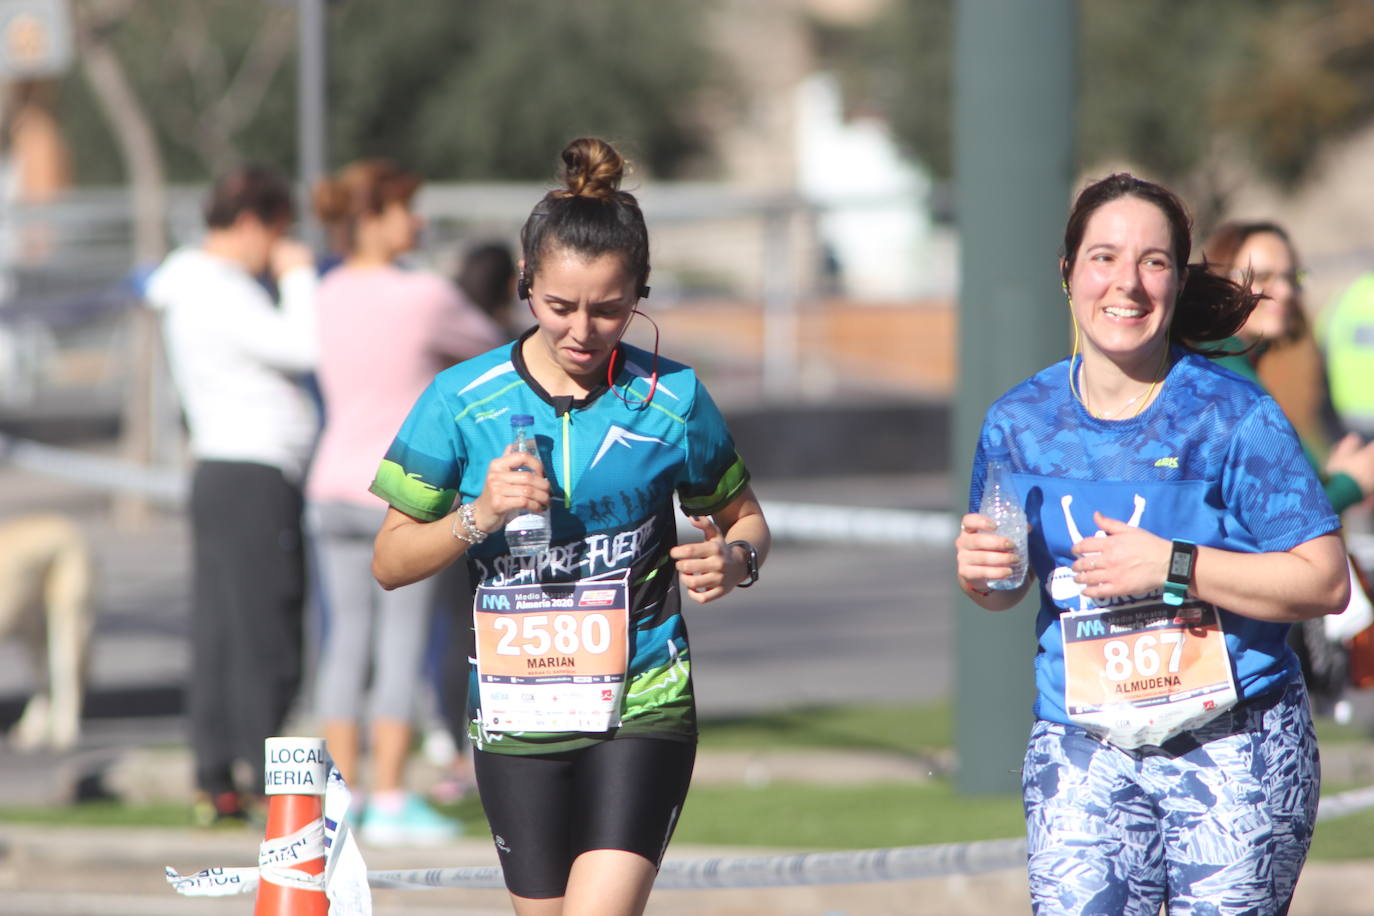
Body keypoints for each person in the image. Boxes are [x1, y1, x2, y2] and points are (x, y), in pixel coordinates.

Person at [370, 137, 769, 915]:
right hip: (518, 712)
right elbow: (388, 561)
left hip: (642, 699)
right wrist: (478, 514)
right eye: (559, 307)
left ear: (640, 295)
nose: (583, 330)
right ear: (525, 286)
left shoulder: (674, 400)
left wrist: (737, 559)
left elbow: (744, 518)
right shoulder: (460, 399)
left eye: (609, 309)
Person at [954, 173, 1349, 916]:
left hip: (1234, 744)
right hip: (1084, 742)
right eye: (1104, 257)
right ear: (1068, 272)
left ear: (1176, 278)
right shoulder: (1017, 422)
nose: (1127, 283)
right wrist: (985, 576)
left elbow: (1325, 581)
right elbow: (1006, 586)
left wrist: (1173, 565)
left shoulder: (1234, 417)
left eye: (1154, 261)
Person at [306, 159, 505, 846]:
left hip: (328, 481)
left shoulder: (326, 291)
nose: (418, 222)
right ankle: (389, 797)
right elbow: (496, 354)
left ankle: (343, 797)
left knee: (343, 646)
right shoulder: (423, 294)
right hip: (402, 489)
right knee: (400, 646)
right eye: (407, 210)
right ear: (374, 216)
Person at [146, 166, 319, 825]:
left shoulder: (193, 284)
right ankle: (261, 775)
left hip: (227, 471)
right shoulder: (216, 288)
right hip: (252, 473)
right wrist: (298, 275)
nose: (276, 249)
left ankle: (220, 776)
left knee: (224, 628)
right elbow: (303, 347)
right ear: (250, 222)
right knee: (263, 629)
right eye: (277, 233)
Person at [1203, 221, 1374, 718]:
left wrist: (1327, 481)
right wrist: (1348, 484)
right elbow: (1270, 520)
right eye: (1262, 275)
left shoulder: (1241, 368)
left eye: (1291, 276)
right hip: (1228, 625)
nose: (1283, 290)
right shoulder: (1222, 373)